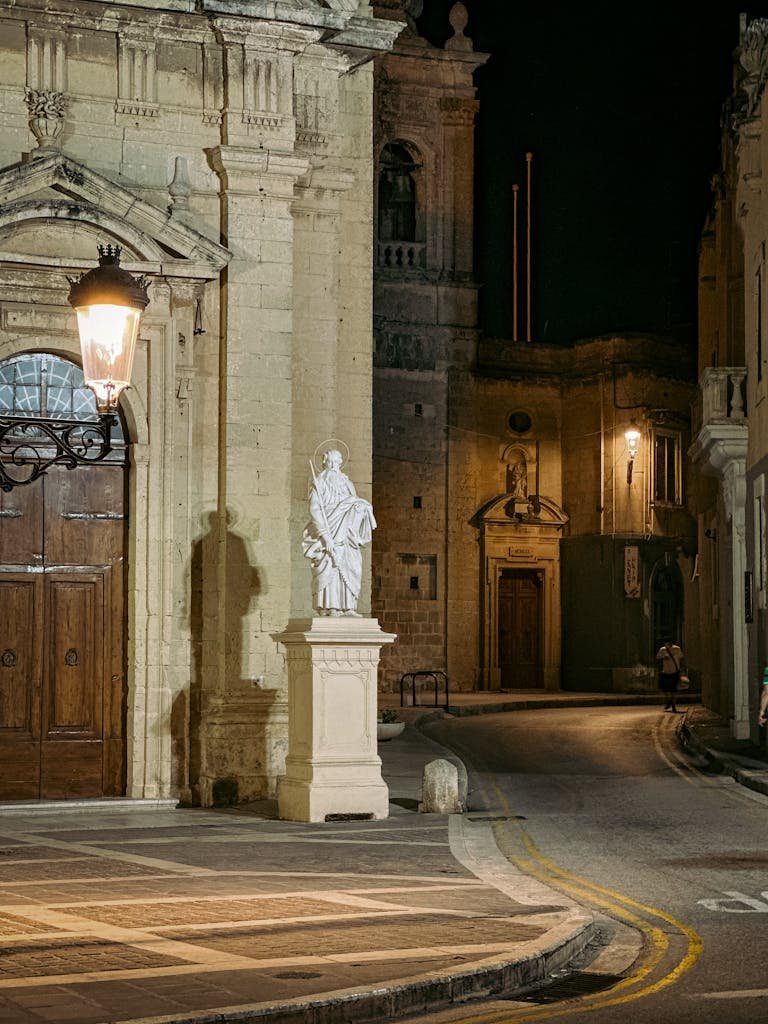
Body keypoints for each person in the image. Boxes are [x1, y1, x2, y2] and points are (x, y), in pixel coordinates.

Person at [302, 449, 376, 616]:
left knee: (352, 565)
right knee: (329, 567)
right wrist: (325, 536)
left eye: (337, 462)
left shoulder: (347, 483)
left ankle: (348, 606)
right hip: (327, 531)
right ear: (325, 463)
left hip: (347, 534)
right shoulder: (319, 483)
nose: (334, 466)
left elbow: (354, 503)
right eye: (331, 462)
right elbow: (314, 509)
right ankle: (329, 607)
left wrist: (361, 508)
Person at [656, 639, 685, 713]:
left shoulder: (677, 649)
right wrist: (664, 657)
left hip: (675, 672)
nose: (667, 645)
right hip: (665, 672)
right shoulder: (662, 649)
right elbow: (658, 657)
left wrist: (682, 669)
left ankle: (673, 705)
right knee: (663, 688)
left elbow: (681, 658)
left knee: (674, 690)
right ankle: (669, 700)